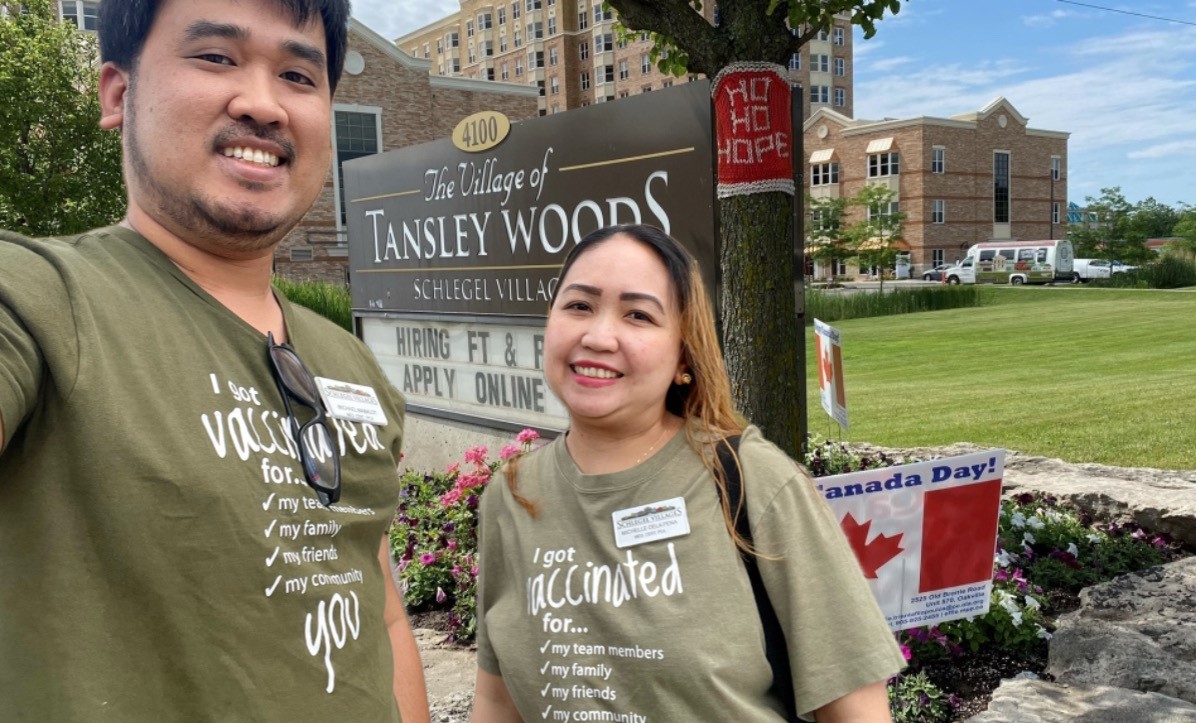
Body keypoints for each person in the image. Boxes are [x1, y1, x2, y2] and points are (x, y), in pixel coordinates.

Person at [0, 0, 430, 720]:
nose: (262, 104)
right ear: (118, 92)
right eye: (216, 57)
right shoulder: (42, 303)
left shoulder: (352, 367)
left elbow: (377, 610)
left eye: (297, 74)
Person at [470, 225, 905, 722]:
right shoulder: (512, 497)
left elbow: (856, 711)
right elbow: (497, 700)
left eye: (638, 314)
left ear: (683, 355)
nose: (598, 336)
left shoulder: (752, 481)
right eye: (579, 306)